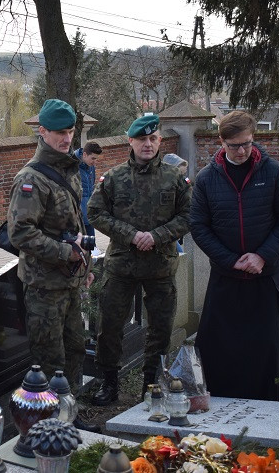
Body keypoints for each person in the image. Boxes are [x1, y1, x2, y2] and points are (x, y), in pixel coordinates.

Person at [190, 111, 279, 401]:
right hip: (226, 278)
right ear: (221, 142)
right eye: (233, 145)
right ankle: (220, 403)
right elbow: (199, 227)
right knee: (220, 347)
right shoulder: (206, 178)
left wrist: (262, 256)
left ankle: (272, 405)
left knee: (268, 347)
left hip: (265, 276)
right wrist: (229, 260)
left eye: (247, 144)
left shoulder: (273, 171)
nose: (241, 151)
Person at [87, 114, 192, 406]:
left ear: (159, 141)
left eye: (153, 138)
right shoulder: (114, 177)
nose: (147, 144)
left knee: (160, 328)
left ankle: (151, 383)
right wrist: (131, 235)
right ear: (130, 141)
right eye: (141, 139)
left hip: (160, 266)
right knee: (109, 326)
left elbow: (190, 216)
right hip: (122, 266)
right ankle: (109, 384)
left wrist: (156, 236)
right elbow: (95, 213)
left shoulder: (175, 178)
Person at [7, 99, 93, 394]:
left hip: (69, 281)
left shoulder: (69, 169)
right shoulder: (31, 179)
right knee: (50, 359)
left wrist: (85, 266)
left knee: (75, 349)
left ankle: (71, 411)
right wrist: (65, 253)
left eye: (70, 131)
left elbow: (76, 225)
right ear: (42, 131)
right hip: (44, 286)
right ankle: (49, 423)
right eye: (59, 132)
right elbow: (20, 233)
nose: (67, 138)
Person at [74, 141, 102, 238]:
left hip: (89, 213)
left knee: (91, 244)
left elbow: (91, 189)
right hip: (78, 217)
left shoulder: (90, 166)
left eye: (96, 159)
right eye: (93, 158)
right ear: (85, 154)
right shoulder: (73, 166)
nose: (94, 162)